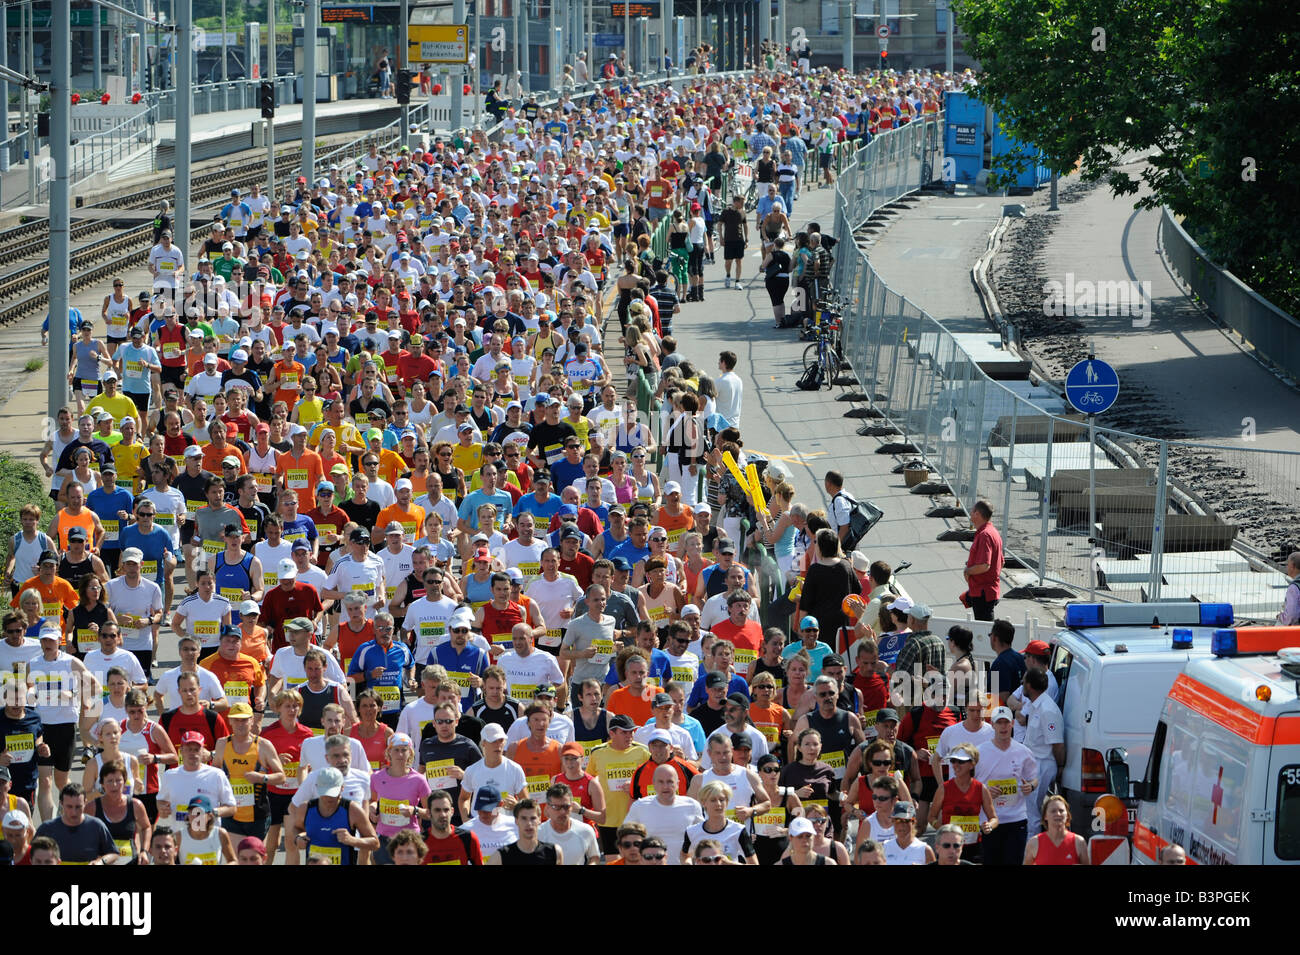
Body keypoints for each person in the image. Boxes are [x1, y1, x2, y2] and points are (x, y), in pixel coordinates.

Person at [927, 742, 997, 863]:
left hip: (973, 847)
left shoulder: (981, 789)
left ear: (972, 764)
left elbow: (994, 818)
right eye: (953, 761)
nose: (955, 765)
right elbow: (931, 817)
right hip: (949, 847)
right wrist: (943, 829)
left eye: (961, 761)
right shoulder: (944, 788)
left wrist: (989, 826)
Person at [296, 765, 379, 865]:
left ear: (342, 787)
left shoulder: (353, 810)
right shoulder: (306, 808)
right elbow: (296, 829)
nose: (329, 798)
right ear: (317, 787)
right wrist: (297, 839)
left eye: (333, 793)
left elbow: (375, 843)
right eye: (325, 793)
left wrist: (352, 840)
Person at [625, 761, 704, 865]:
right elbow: (625, 837)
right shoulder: (640, 806)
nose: (665, 786)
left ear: (677, 784)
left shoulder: (692, 805)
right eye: (661, 782)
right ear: (653, 784)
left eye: (670, 782)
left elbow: (703, 838)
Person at [1022, 669, 1065, 835]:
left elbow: (1057, 744)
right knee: (1029, 811)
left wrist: (1060, 767)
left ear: (1030, 686)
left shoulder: (1047, 710)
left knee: (1031, 813)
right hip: (1033, 764)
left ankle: (1031, 855)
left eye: (1024, 681)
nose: (1022, 684)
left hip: (1041, 765)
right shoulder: (1036, 705)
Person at [36, 782, 119, 865]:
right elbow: (31, 854)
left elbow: (113, 853)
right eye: (69, 806)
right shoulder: (47, 829)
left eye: (78, 807)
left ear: (85, 803)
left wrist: (101, 862)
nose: (74, 812)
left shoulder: (96, 826)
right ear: (61, 804)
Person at [682, 780, 756, 864]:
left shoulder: (739, 830)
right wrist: (688, 862)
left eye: (722, 800)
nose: (718, 804)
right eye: (713, 800)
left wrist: (729, 863)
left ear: (727, 802)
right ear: (703, 803)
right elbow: (684, 855)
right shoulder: (691, 831)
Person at [484, 797, 561, 864]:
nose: (529, 823)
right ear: (516, 821)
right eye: (523, 818)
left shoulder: (553, 852)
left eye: (533, 818)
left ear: (539, 819)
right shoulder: (501, 856)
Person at [963, 500, 1003, 620]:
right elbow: (1001, 561)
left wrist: (968, 571)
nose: (970, 513)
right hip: (986, 590)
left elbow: (984, 565)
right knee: (985, 629)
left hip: (983, 592)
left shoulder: (984, 535)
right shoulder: (992, 532)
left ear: (977, 514)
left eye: (972, 511)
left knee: (984, 630)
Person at [1025, 794, 1088, 865]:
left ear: (1067, 815)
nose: (1058, 814)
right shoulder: (1033, 843)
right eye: (1053, 811)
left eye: (1061, 811)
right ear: (1045, 816)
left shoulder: (1079, 842)